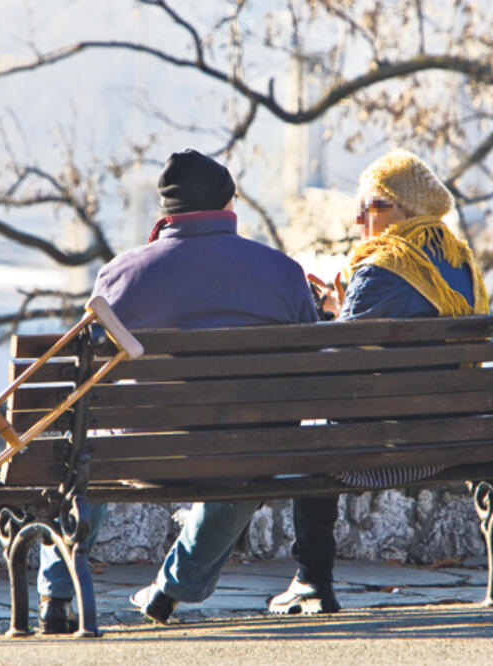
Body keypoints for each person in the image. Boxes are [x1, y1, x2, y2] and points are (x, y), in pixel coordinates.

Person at [37, 148, 318, 632]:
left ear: (167, 212)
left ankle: (57, 598)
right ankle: (173, 590)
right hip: (245, 454)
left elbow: (87, 378)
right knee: (242, 456)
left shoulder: (121, 274)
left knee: (86, 448)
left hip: (138, 453)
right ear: (229, 207)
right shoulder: (282, 273)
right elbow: (313, 372)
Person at [268, 148, 490, 615]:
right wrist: (344, 309)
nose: (357, 218)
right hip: (455, 435)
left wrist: (326, 320)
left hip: (386, 442)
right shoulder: (460, 262)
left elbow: (339, 368)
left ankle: (312, 579)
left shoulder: (383, 264)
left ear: (406, 210)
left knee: (313, 435)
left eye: (371, 205)